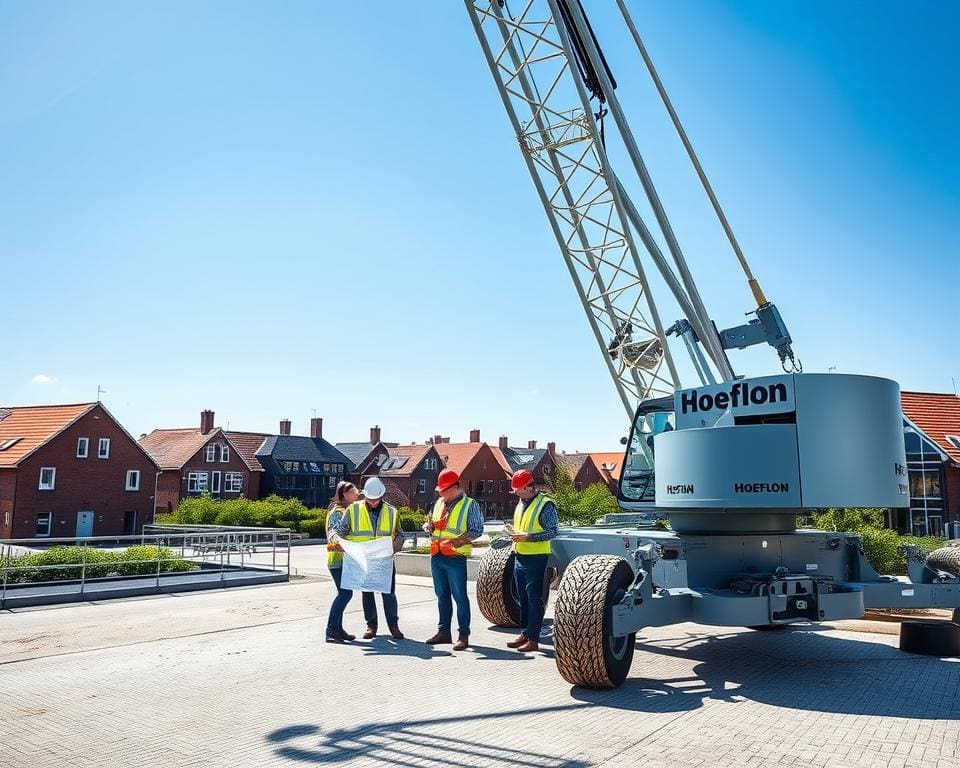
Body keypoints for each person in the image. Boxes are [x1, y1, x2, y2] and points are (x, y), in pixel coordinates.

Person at [329, 476, 404, 640]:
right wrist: (337, 541)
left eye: (376, 499)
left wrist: (396, 545)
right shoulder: (353, 510)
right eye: (370, 499)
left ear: (382, 495)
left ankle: (394, 626)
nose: (373, 502)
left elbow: (400, 534)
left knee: (389, 593)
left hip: (384, 560)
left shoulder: (392, 512)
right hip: (364, 560)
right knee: (367, 592)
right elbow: (340, 531)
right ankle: (371, 626)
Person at [422, 469, 483, 651]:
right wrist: (428, 526)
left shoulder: (470, 505)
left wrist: (455, 541)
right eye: (439, 490)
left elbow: (476, 530)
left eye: (444, 490)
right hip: (437, 555)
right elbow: (434, 525)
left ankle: (463, 635)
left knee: (459, 597)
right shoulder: (439, 503)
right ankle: (443, 632)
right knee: (441, 596)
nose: (441, 494)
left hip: (455, 557)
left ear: (455, 487)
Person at [504, 469, 558, 653]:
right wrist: (514, 532)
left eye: (519, 489)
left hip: (537, 557)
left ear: (529, 487)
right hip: (520, 555)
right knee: (523, 597)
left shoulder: (546, 504)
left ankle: (533, 639)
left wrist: (528, 537)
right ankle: (525, 633)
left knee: (534, 598)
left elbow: (552, 531)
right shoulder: (521, 503)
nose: (516, 493)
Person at [324, 480, 359, 643]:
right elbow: (336, 534)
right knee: (345, 593)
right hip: (338, 559)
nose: (356, 493)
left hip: (345, 560)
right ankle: (331, 629)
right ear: (344, 495)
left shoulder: (348, 509)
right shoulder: (338, 511)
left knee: (345, 593)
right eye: (352, 491)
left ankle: (338, 629)